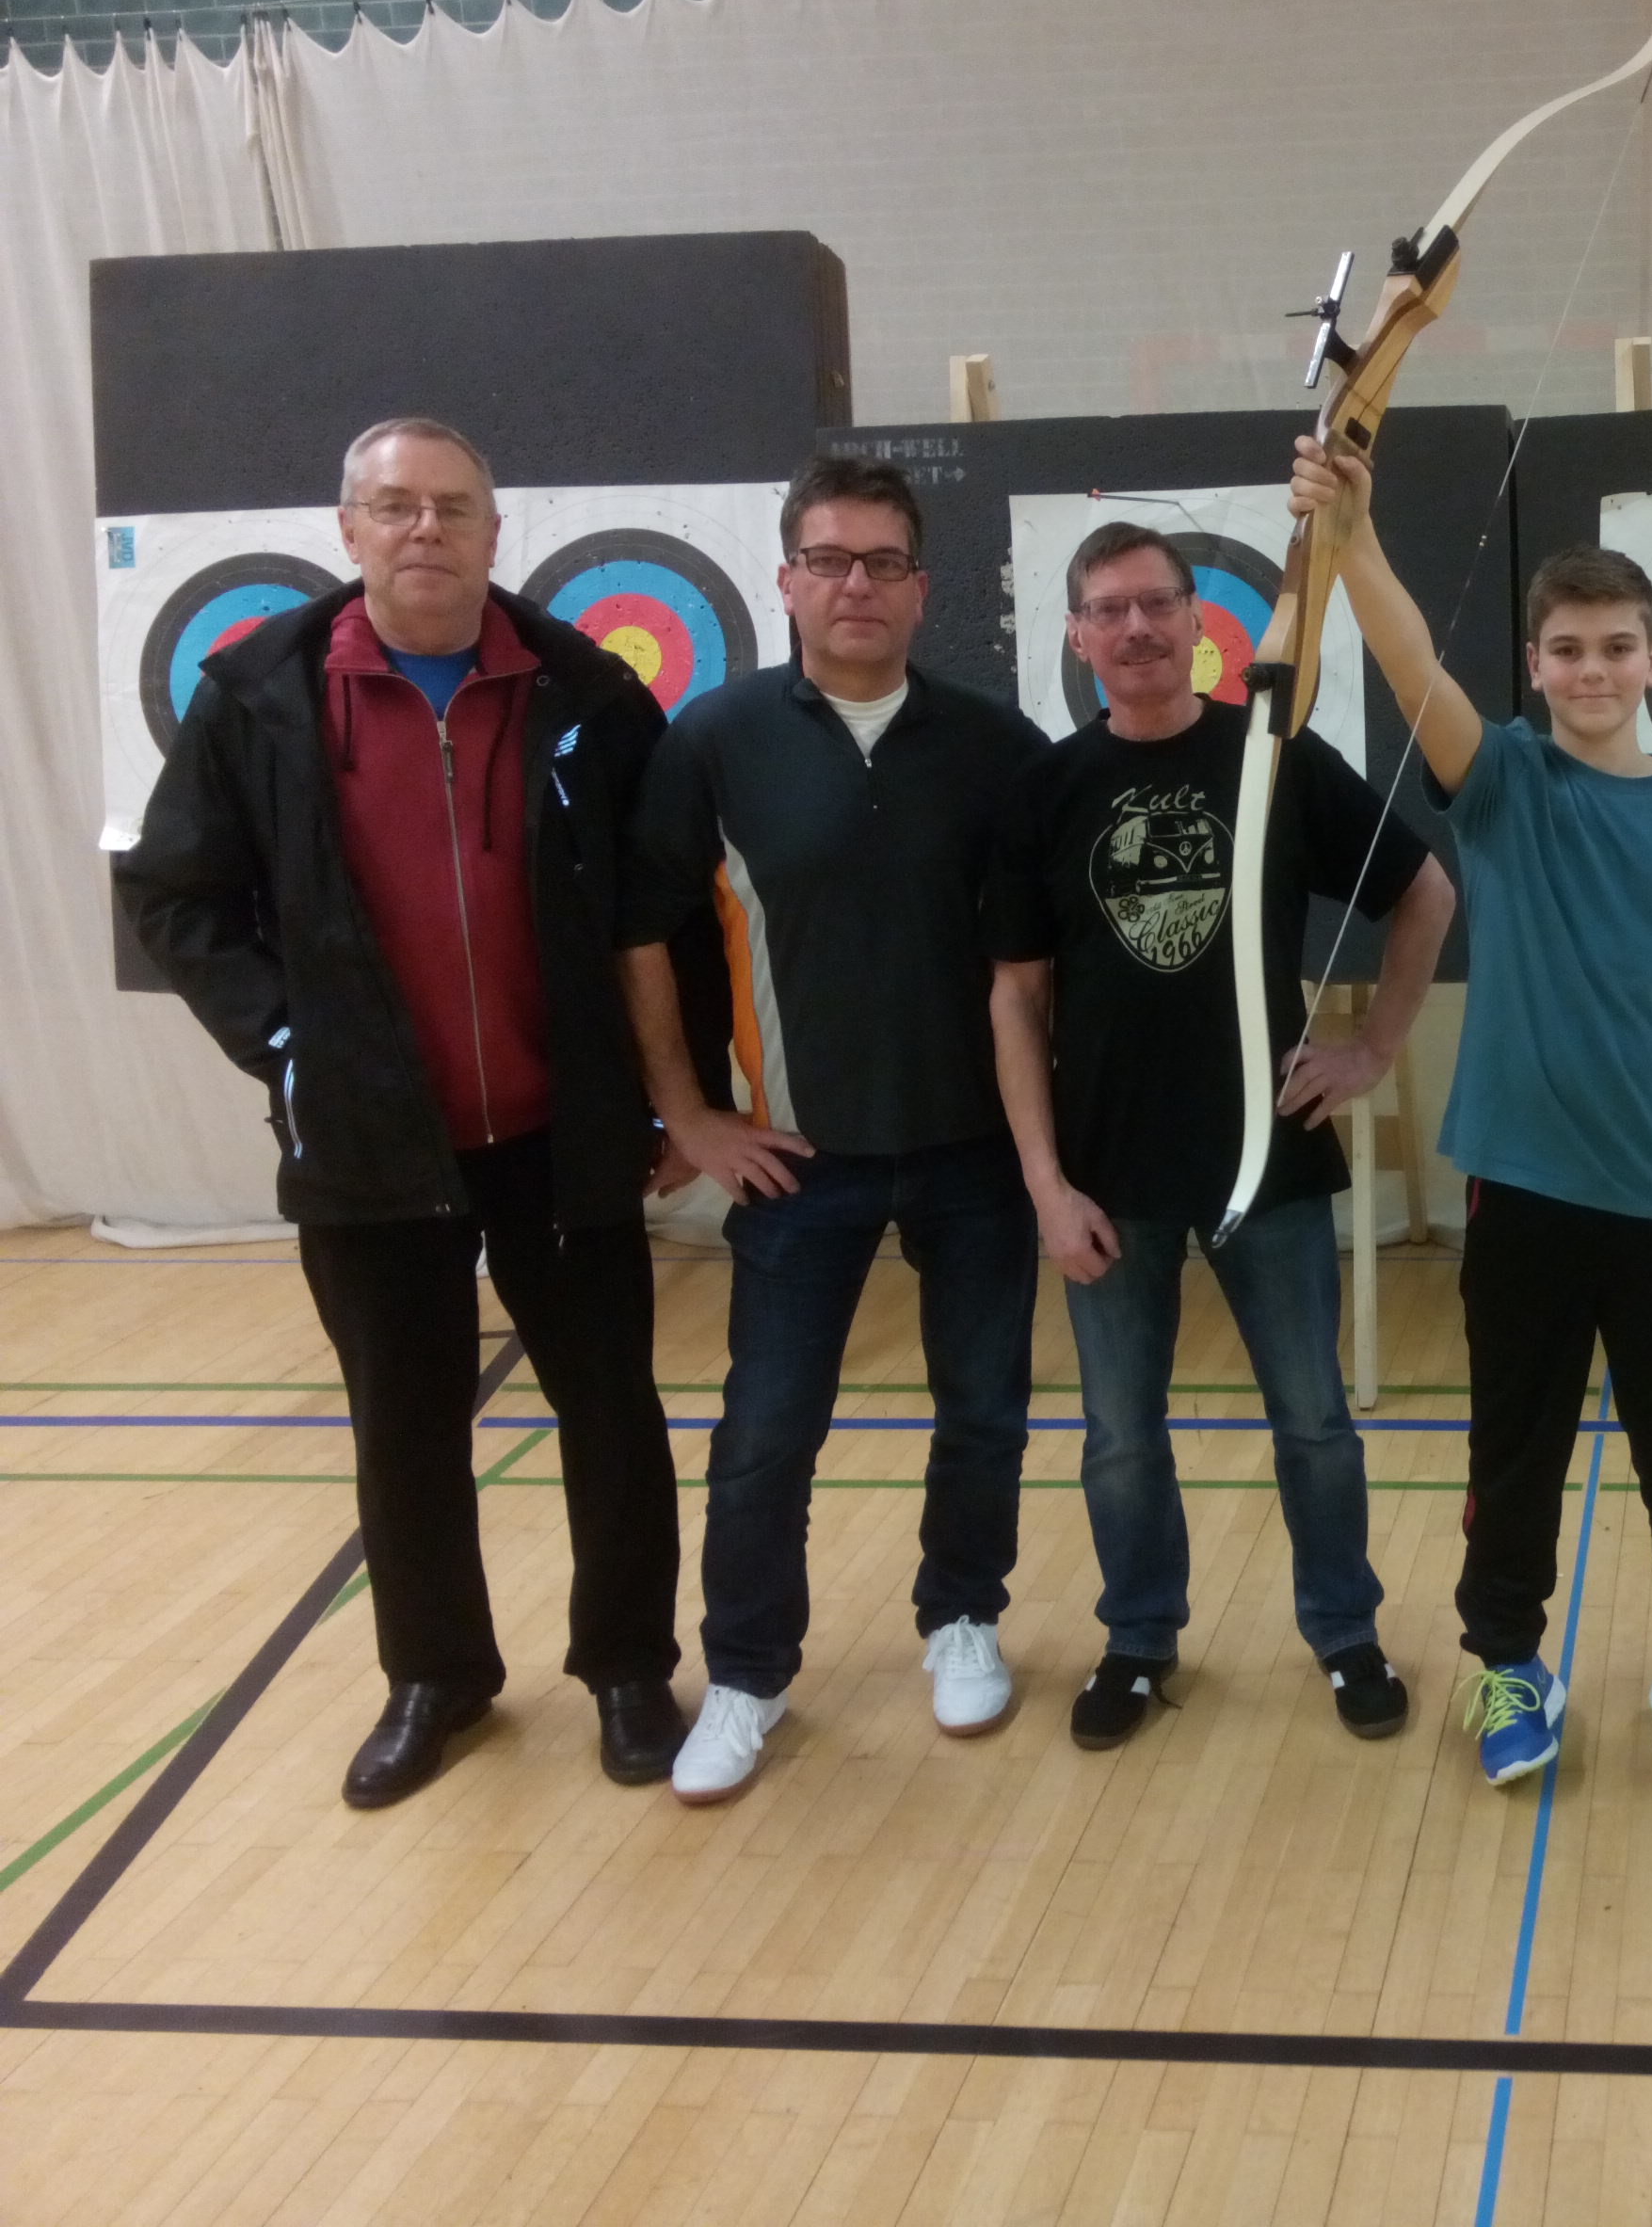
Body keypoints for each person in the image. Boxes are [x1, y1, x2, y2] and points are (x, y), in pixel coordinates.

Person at [117, 416, 699, 1808]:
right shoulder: (256, 696)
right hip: (370, 1138)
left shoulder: (589, 693)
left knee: (611, 1410)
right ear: (350, 529)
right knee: (402, 1421)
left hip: (564, 1131)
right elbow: (175, 895)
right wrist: (286, 1046)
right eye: (396, 507)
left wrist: (686, 1099)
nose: (424, 528)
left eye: (452, 507)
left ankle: (628, 1667)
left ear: (497, 532)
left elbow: (667, 913)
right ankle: (435, 1676)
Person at [1287, 436, 1652, 1789]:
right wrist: (1354, 534)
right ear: (1538, 667)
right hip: (1523, 1193)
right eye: (1567, 650)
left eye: (1617, 647)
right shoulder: (1503, 782)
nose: (1592, 670)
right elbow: (1411, 670)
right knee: (1514, 1452)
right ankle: (1507, 1662)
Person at [619, 455, 1049, 1805]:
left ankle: (962, 1615)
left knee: (983, 1412)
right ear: (787, 579)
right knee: (765, 1436)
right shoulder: (712, 740)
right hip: (798, 1161)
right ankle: (747, 1673)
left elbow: (1036, 966)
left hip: (976, 1155)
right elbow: (644, 934)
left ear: (922, 589)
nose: (855, 584)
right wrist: (689, 1113)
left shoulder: (998, 748)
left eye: (883, 562)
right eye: (828, 559)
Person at [986, 521, 1453, 1750]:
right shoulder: (1043, 791)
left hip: (1267, 1160)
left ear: (1200, 621)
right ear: (1077, 636)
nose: (1136, 628)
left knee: (1315, 1422)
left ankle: (1345, 1632)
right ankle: (1140, 1640)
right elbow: (1017, 996)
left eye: (1158, 603)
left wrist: (1373, 1051)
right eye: (1109, 609)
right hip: (1106, 1175)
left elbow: (1426, 890)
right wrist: (1044, 1184)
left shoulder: (1277, 758)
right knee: (1119, 1438)